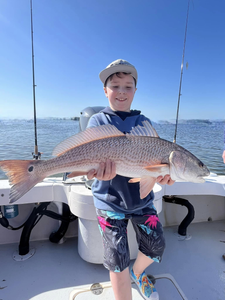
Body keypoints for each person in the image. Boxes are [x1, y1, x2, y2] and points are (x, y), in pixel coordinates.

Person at [86, 59, 175, 300]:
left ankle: (139, 273)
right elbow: (88, 159)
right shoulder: (98, 121)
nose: (122, 92)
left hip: (142, 201)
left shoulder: (144, 123)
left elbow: (153, 168)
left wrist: (164, 176)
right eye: (115, 86)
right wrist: (93, 171)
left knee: (156, 246)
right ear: (105, 91)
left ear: (135, 91)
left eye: (128, 86)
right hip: (109, 202)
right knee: (117, 262)